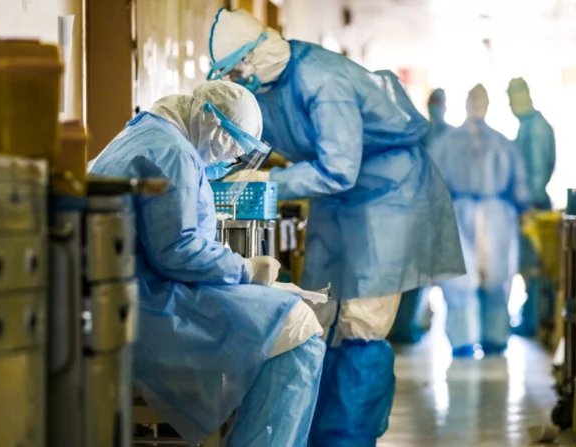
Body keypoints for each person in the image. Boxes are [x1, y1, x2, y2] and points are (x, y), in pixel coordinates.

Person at [207, 9, 465, 446]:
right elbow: (264, 140)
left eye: (237, 68)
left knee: (362, 323)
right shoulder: (272, 85)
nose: (237, 78)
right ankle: (313, 433)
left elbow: (339, 170)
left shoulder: (322, 82)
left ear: (256, 54)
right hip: (336, 202)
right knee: (320, 312)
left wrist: (268, 181)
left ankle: (348, 438)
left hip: (386, 198)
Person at [86, 80, 326, 447]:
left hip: (129, 297)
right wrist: (245, 269)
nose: (230, 157)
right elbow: (177, 251)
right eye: (234, 144)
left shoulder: (142, 133)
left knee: (289, 321)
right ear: (211, 120)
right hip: (152, 307)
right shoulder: (173, 152)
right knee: (298, 330)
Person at [428, 84, 530, 357]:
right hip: (495, 216)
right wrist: (522, 209)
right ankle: (494, 338)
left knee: (463, 281)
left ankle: (464, 341)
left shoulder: (445, 143)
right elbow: (520, 186)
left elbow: (431, 185)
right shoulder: (503, 143)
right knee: (493, 279)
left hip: (460, 215)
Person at [388, 87, 454, 344]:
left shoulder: (450, 137)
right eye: (433, 103)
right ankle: (406, 324)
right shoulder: (418, 134)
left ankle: (420, 320)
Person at [506, 77, 556, 337]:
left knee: (534, 270)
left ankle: (534, 321)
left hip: (533, 207)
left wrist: (527, 206)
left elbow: (535, 174)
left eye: (513, 99)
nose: (512, 105)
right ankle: (531, 319)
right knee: (530, 270)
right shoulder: (527, 126)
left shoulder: (535, 129)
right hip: (530, 206)